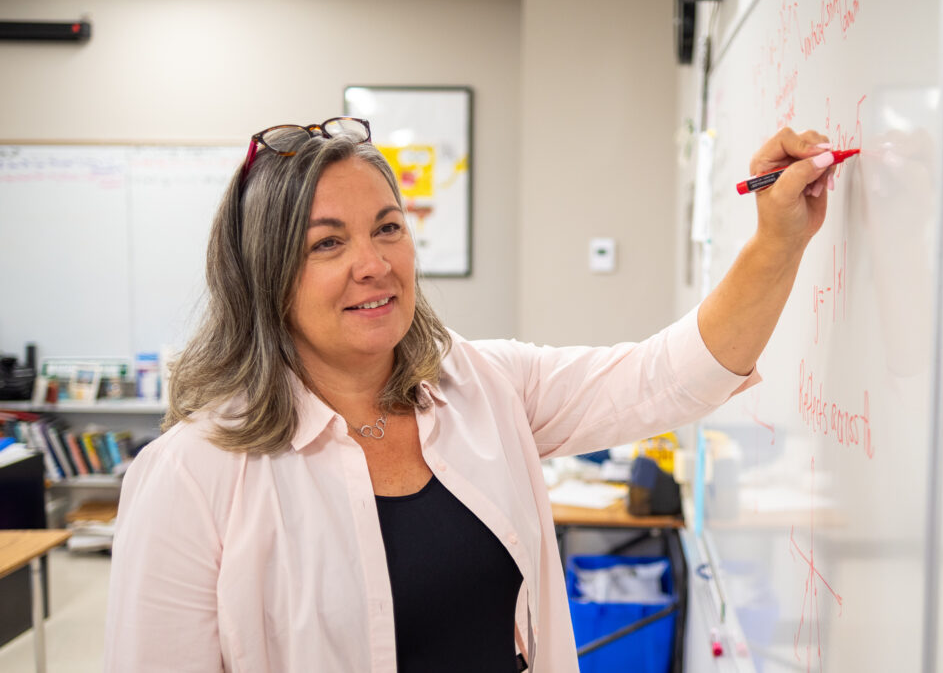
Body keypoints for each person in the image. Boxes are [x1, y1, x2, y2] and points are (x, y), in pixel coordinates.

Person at [103, 117, 838, 673]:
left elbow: (668, 376)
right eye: (328, 243)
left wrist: (778, 242)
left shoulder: (480, 386)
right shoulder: (193, 474)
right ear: (265, 273)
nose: (374, 264)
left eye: (387, 228)